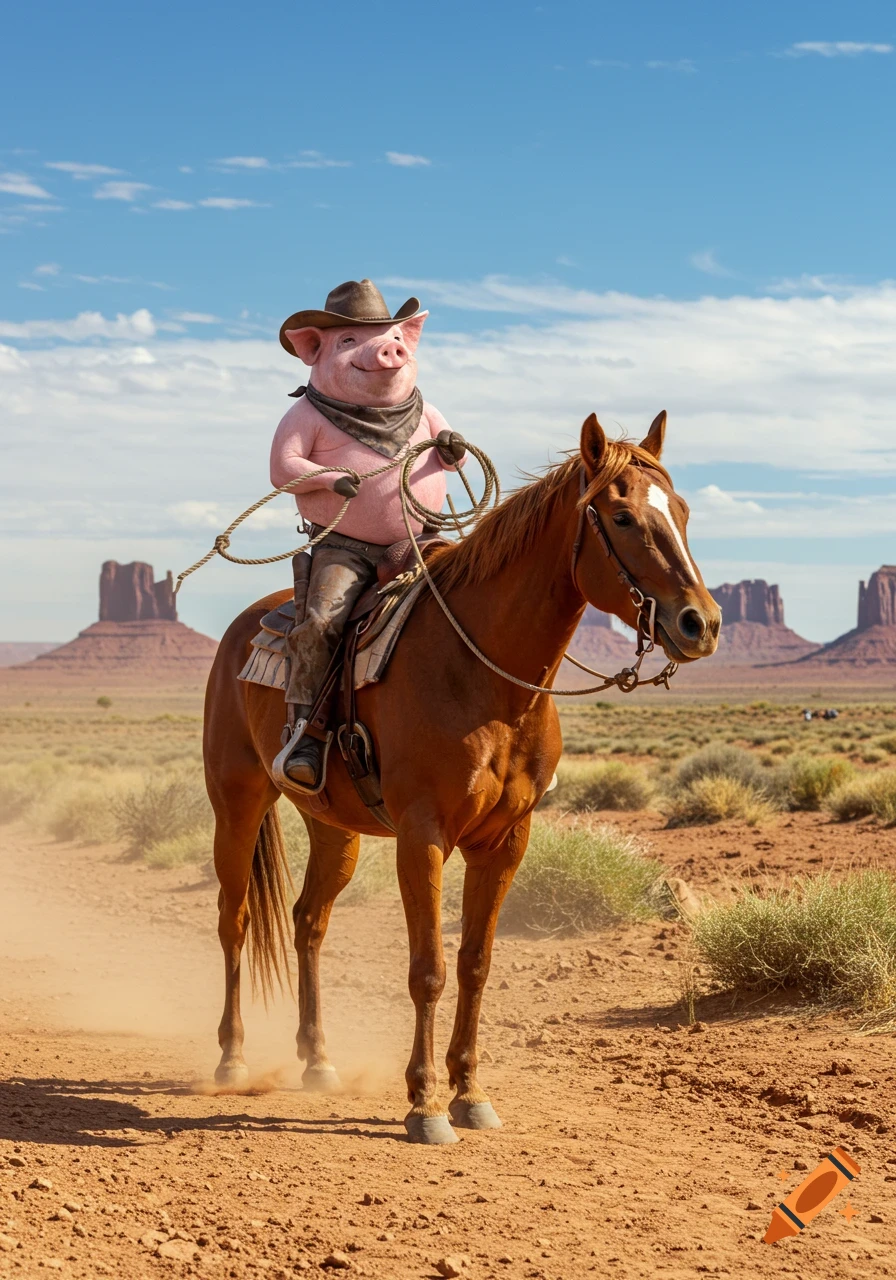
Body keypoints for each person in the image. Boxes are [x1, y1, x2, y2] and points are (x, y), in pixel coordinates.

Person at [269, 279, 464, 789]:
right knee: (321, 622)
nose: (384, 350)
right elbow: (283, 467)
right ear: (313, 348)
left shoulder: (422, 409)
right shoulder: (308, 413)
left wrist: (453, 450)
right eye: (350, 342)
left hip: (425, 541)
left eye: (389, 337)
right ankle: (305, 734)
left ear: (408, 338)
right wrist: (330, 479)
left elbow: (450, 452)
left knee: (483, 596)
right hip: (346, 549)